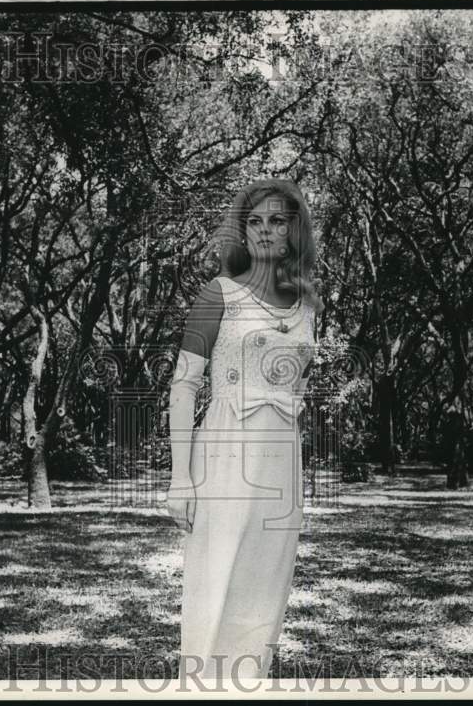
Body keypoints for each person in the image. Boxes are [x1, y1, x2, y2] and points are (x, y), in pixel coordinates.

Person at [162, 178, 323, 682]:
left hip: (282, 465)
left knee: (264, 595)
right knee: (215, 585)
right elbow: (184, 387)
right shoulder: (220, 294)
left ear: (295, 230)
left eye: (277, 220)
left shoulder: (307, 305)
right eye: (254, 221)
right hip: (225, 454)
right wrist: (180, 479)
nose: (264, 231)